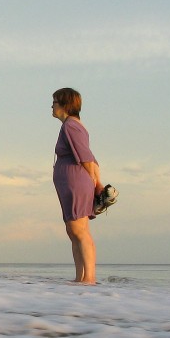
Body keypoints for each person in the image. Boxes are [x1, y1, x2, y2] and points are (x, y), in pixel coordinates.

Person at [51, 87, 103, 284]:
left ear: (65, 105)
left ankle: (89, 277)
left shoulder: (71, 126)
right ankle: (80, 277)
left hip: (76, 181)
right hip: (70, 182)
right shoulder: (70, 126)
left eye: (55, 102)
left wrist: (96, 183)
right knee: (73, 231)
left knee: (79, 230)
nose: (51, 106)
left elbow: (87, 157)